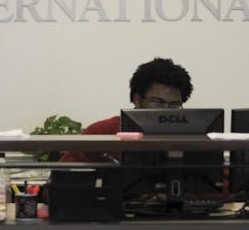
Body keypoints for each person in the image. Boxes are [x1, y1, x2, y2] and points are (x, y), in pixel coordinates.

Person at [59, 57, 193, 163]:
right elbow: (63, 178)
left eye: (174, 105)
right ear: (137, 99)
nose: (166, 111)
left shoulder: (193, 140)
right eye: (157, 102)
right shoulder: (102, 133)